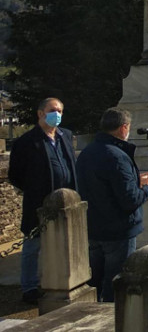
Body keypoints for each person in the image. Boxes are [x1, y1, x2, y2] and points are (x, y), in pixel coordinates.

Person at [75, 108, 148, 302]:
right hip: (118, 231)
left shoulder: (87, 153)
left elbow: (102, 186)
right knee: (116, 284)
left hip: (94, 227)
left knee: (94, 282)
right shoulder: (118, 156)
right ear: (124, 128)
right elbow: (129, 200)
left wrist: (135, 181)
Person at [8, 98, 77, 304]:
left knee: (65, 243)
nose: (57, 114)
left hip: (67, 201)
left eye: (60, 111)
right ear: (40, 113)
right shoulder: (27, 142)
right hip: (39, 203)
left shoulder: (65, 136)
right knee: (32, 247)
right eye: (53, 110)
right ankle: (29, 287)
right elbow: (15, 175)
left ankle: (63, 280)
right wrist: (34, 189)